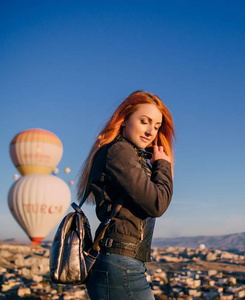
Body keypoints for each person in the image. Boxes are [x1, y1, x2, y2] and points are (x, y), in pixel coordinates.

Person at [76, 90, 175, 299]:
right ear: (124, 120)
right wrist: (163, 166)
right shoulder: (119, 151)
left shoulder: (130, 154)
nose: (150, 131)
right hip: (119, 264)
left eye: (156, 127)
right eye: (144, 121)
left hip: (124, 263)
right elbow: (157, 204)